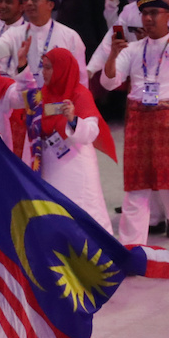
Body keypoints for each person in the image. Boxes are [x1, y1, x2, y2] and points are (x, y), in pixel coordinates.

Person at [20, 47, 115, 232]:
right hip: (49, 166)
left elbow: (91, 132)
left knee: (84, 219)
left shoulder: (80, 95)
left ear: (62, 69)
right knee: (54, 217)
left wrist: (73, 119)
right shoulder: (41, 95)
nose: (44, 72)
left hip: (76, 166)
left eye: (49, 68)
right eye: (43, 67)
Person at [102, 0, 169, 245]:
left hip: (165, 120)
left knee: (167, 185)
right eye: (145, 14)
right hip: (139, 122)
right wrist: (113, 54)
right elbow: (109, 83)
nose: (149, 19)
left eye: (155, 12)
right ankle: (131, 249)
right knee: (136, 188)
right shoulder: (132, 50)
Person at [0, 0, 88, 87]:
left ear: (50, 4)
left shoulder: (70, 36)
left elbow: (81, 79)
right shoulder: (14, 34)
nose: (29, 3)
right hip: (22, 100)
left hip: (58, 102)